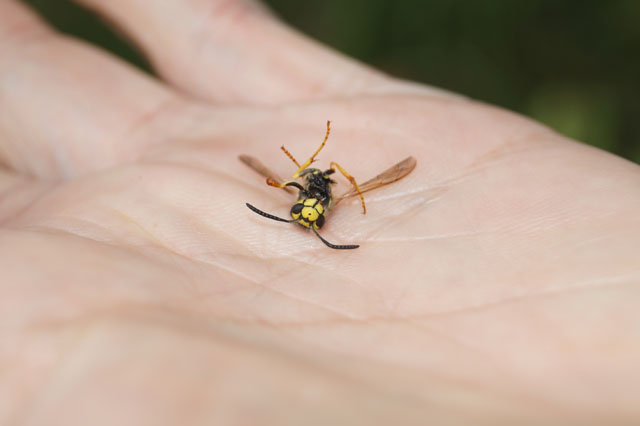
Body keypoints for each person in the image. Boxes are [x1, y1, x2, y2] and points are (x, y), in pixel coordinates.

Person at [1, 1, 638, 424]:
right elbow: (294, 175)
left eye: (317, 184)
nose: (317, 182)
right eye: (314, 186)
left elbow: (316, 176)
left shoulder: (317, 183)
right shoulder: (308, 185)